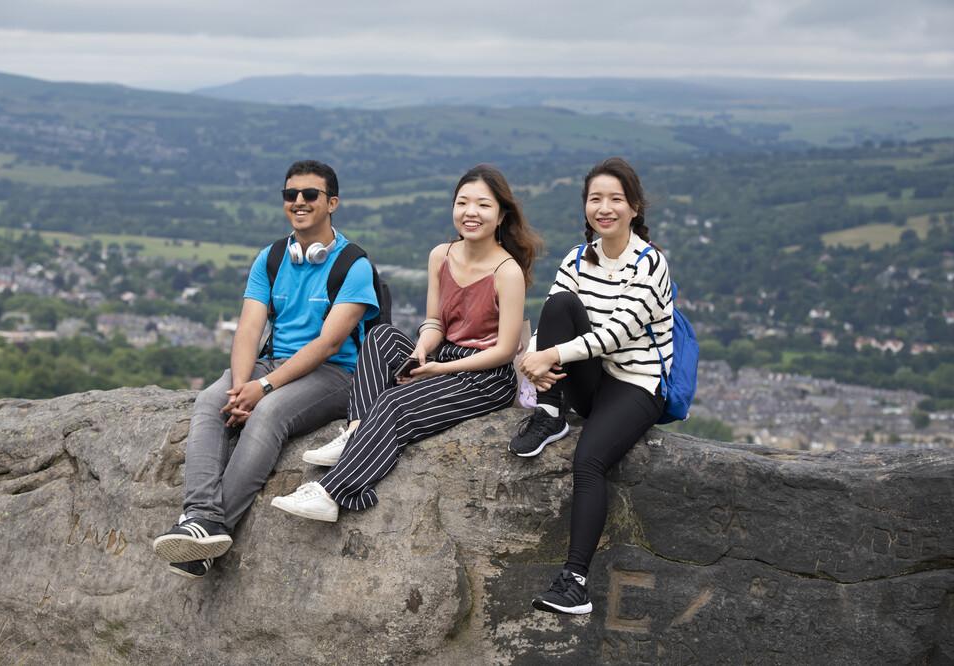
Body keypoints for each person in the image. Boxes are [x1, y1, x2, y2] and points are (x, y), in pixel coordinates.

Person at [270, 164, 540, 521]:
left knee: (397, 402)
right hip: (442, 356)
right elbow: (435, 322)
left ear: (502, 214)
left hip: (485, 376)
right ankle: (356, 432)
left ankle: (334, 491)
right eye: (462, 203)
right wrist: (422, 349)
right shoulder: (441, 255)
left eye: (483, 205)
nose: (470, 213)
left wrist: (440, 369)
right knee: (380, 335)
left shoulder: (507, 272)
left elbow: (504, 351)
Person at [152, 160, 379, 578]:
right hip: (270, 363)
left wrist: (265, 388)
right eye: (290, 195)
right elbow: (249, 327)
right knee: (210, 401)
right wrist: (241, 388)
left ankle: (214, 526)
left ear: (332, 203)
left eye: (309, 195)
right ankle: (198, 519)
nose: (298, 202)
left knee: (269, 415)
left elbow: (329, 343)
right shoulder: (272, 258)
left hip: (334, 374)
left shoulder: (354, 266)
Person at [510, 157, 673, 615]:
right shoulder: (577, 258)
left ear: (634, 207)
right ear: (585, 207)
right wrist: (534, 360)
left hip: (637, 386)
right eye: (595, 199)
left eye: (615, 199)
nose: (605, 208)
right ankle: (549, 413)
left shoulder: (651, 263)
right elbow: (551, 324)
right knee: (561, 304)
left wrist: (550, 357)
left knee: (589, 462)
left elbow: (618, 333)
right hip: (592, 378)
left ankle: (576, 582)